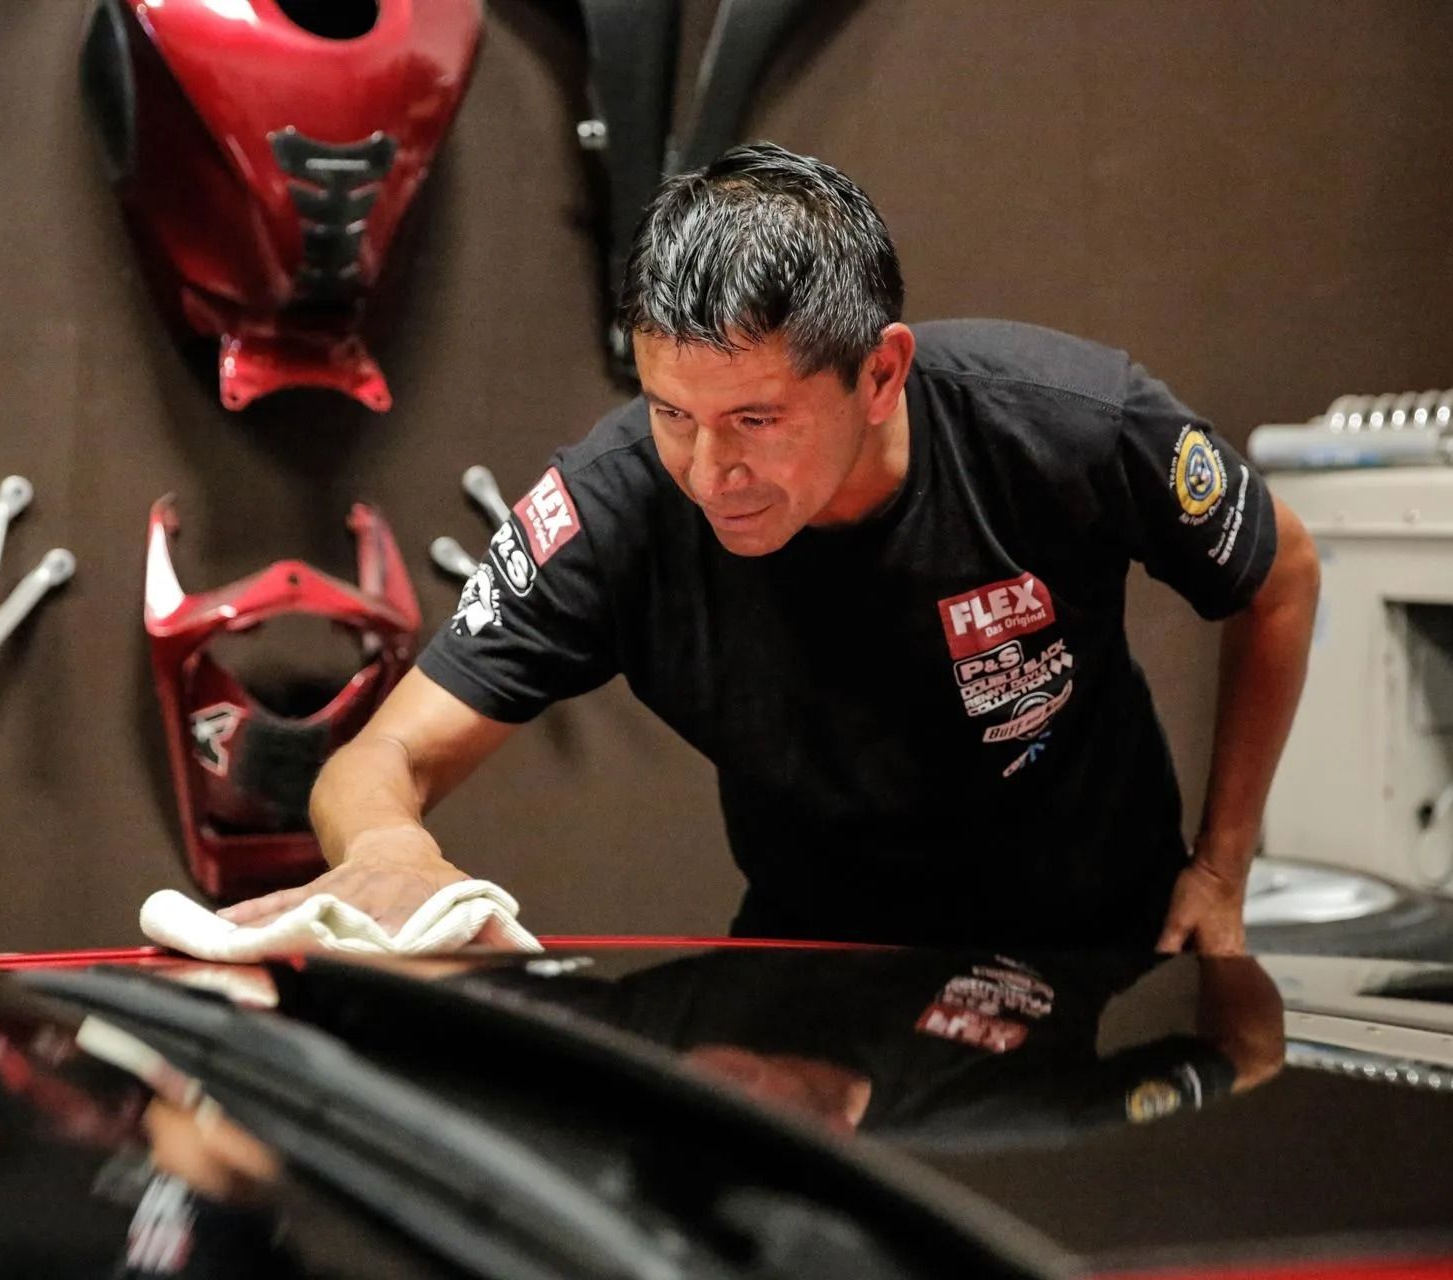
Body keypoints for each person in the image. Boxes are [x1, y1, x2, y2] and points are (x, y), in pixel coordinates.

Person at [222, 141, 1321, 954]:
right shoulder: (613, 503)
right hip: (812, 965)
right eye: (670, 412)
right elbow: (379, 759)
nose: (708, 471)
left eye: (756, 420)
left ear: (882, 373)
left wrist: (1223, 866)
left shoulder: (1071, 422)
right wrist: (391, 852)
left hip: (1101, 956)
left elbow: (1281, 578)